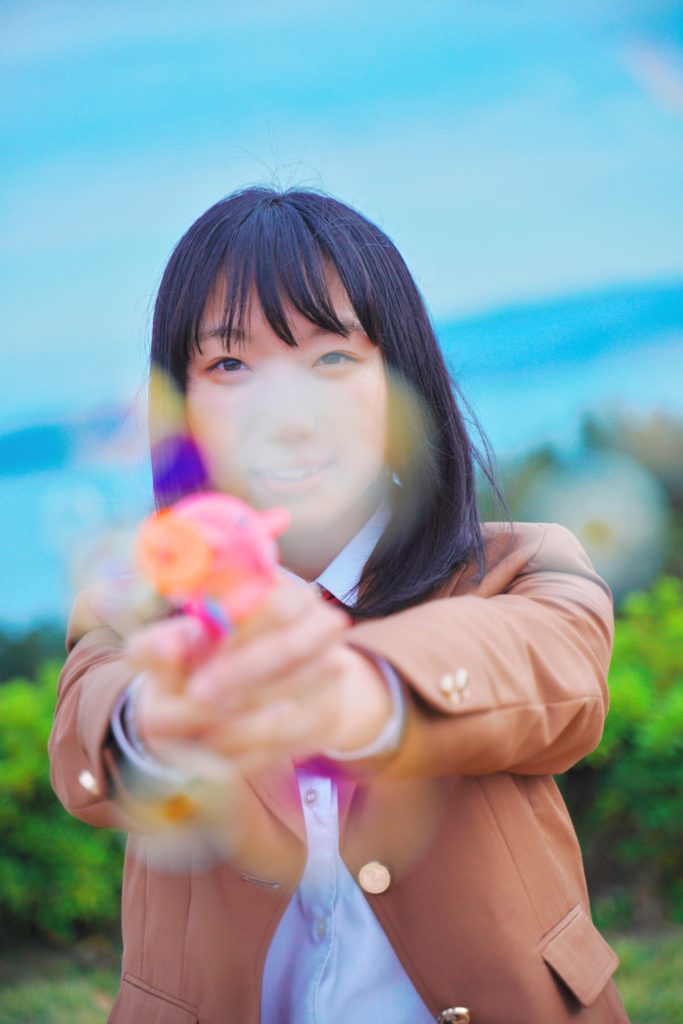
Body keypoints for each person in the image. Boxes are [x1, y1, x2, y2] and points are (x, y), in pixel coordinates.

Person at [49, 186, 630, 1024]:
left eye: (331, 359)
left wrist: (359, 689)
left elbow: (554, 682)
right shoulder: (131, 615)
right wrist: (158, 721)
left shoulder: (524, 568)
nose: (286, 415)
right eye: (229, 365)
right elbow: (87, 745)